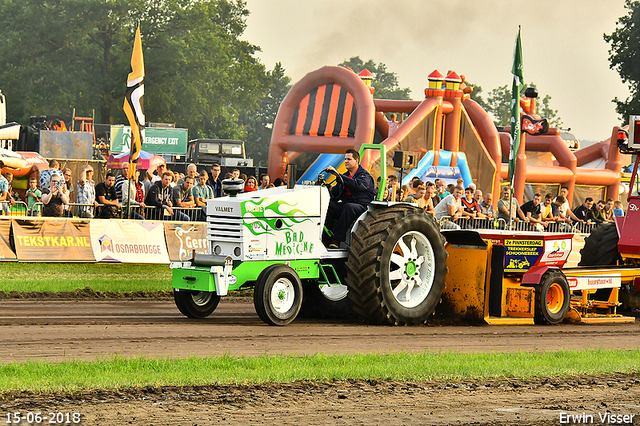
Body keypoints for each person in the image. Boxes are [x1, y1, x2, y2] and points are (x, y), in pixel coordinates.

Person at [323, 149, 376, 248]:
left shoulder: (365, 176)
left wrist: (338, 175)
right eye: (345, 159)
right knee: (329, 206)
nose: (346, 161)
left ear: (356, 161)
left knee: (349, 207)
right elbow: (335, 193)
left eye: (349, 159)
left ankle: (336, 240)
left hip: (362, 207)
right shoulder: (345, 176)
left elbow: (357, 185)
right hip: (346, 205)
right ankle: (326, 238)